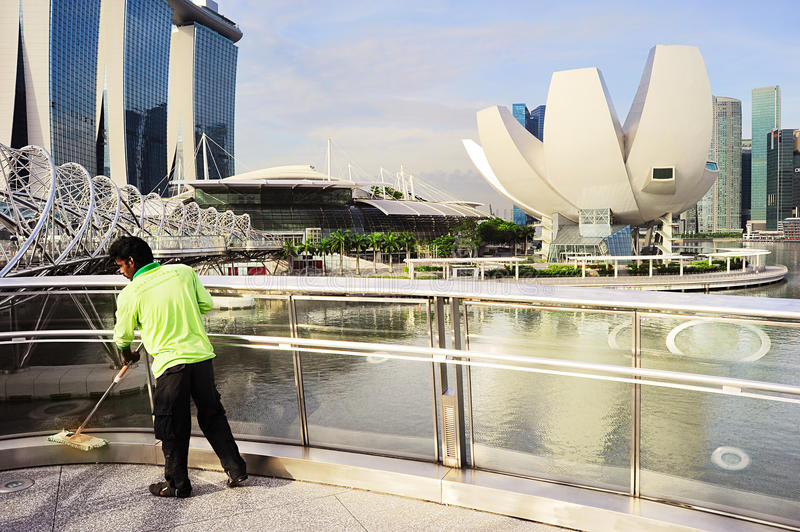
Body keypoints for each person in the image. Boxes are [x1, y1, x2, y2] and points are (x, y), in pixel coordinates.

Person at [110, 236, 247, 498]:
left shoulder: (130, 293)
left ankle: (177, 484)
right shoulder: (184, 272)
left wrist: (129, 356)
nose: (121, 272)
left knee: (172, 425)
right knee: (212, 415)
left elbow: (122, 337)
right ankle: (236, 469)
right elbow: (206, 304)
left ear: (130, 262)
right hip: (201, 357)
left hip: (171, 365)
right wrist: (180, 307)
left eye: (121, 266)